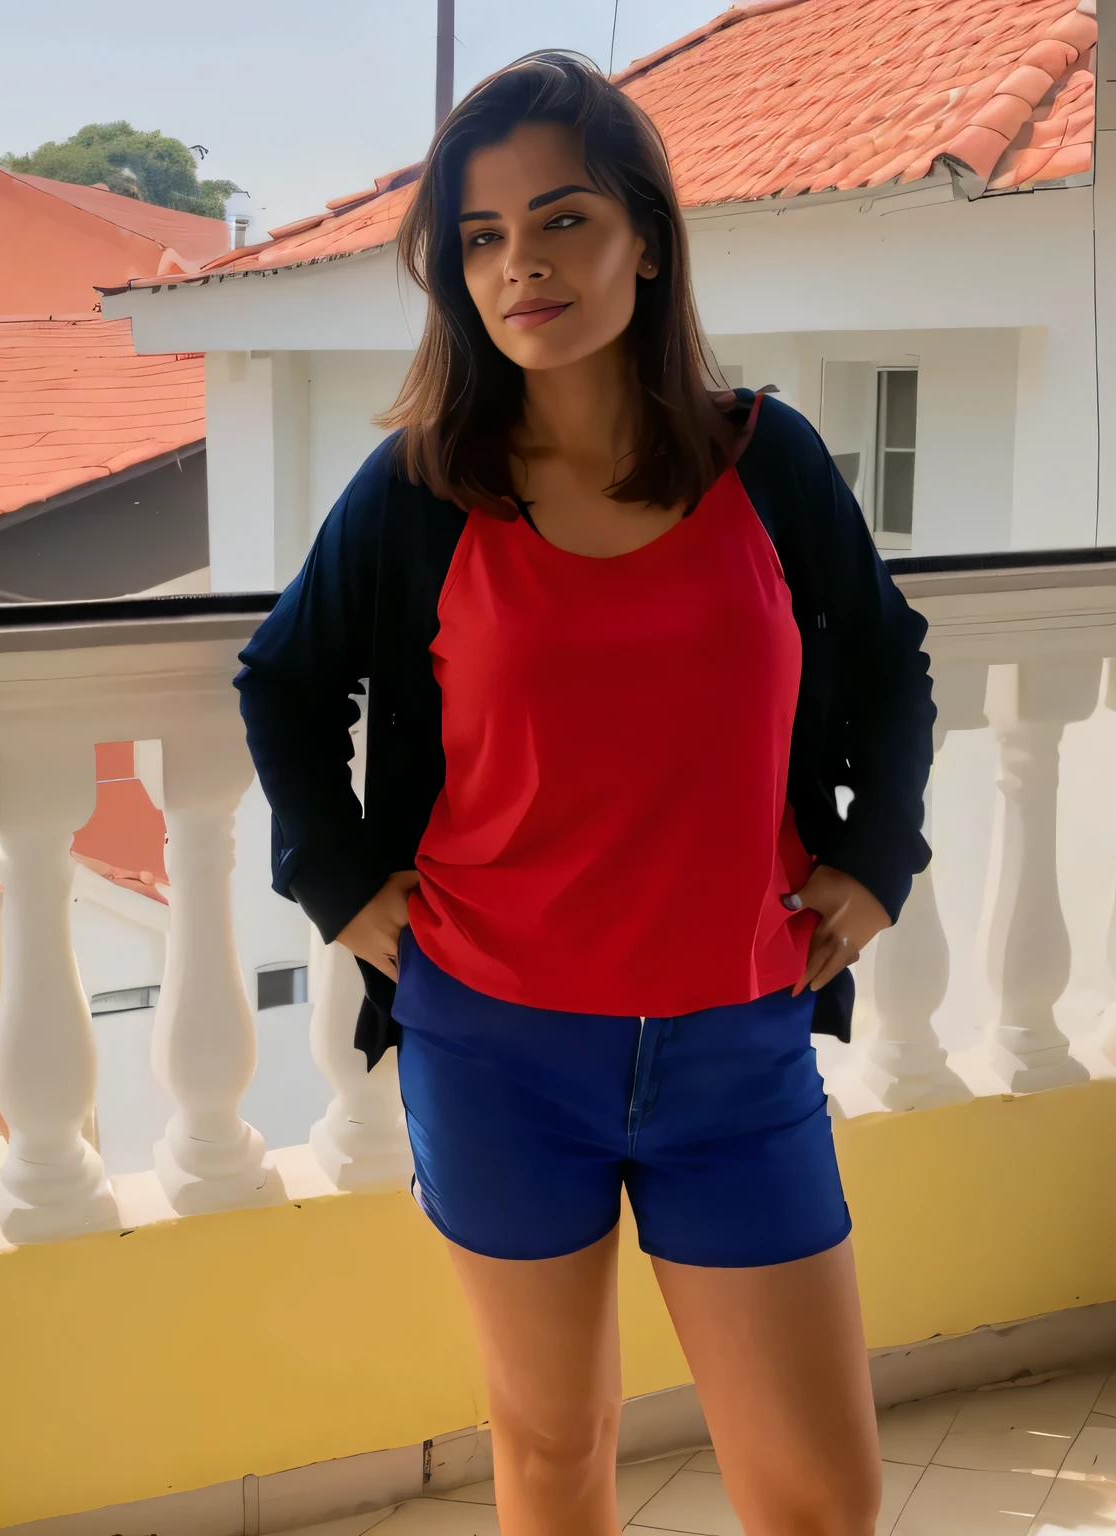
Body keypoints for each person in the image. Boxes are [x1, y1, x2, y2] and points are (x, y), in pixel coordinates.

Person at [235, 51, 936, 1536]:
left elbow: (888, 662)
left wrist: (878, 861)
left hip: (737, 1050)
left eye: (559, 221)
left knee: (821, 1497)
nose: (519, 267)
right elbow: (284, 683)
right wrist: (342, 886)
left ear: (645, 237)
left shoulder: (772, 462)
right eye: (480, 240)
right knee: (553, 1458)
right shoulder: (425, 485)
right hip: (493, 1047)